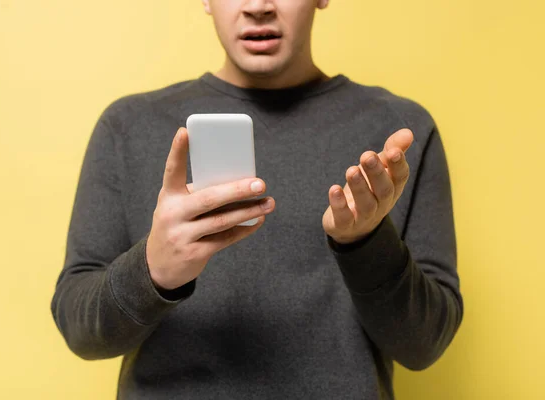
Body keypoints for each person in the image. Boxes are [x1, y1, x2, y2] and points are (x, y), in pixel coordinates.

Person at [51, 0, 464, 399]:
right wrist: (153, 269)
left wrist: (365, 243)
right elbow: (79, 330)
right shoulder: (127, 127)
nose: (258, 5)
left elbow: (424, 346)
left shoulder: (397, 133)